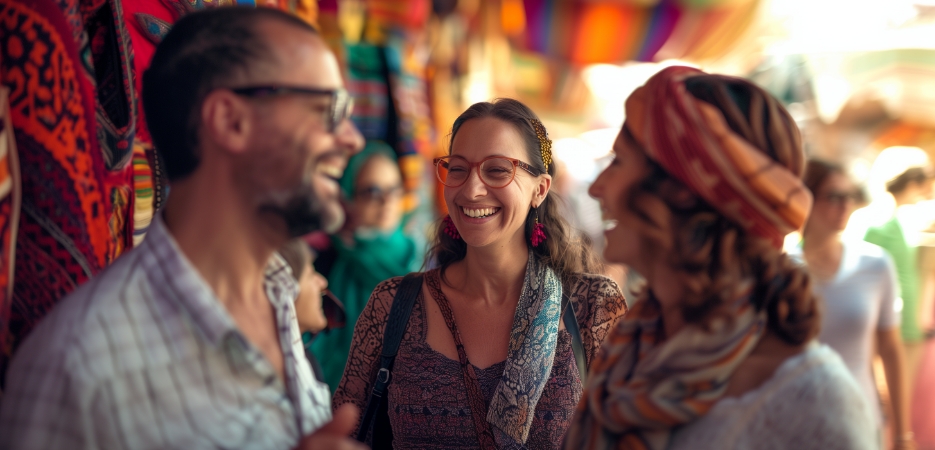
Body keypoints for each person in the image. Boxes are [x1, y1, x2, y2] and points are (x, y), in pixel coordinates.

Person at [0, 7, 367, 450]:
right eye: (327, 109)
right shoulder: (80, 367)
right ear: (231, 121)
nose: (352, 139)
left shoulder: (280, 301)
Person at [565, 66, 874, 449]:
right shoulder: (636, 345)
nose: (597, 188)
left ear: (681, 191)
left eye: (620, 161)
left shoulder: (815, 404)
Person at [333, 98, 628, 449]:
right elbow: (344, 433)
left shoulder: (592, 307)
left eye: (498, 170)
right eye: (458, 168)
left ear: (540, 189)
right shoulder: (393, 304)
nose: (471, 189)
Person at [791, 159, 913, 449]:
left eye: (850, 196)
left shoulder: (876, 264)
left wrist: (902, 433)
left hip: (861, 419)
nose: (844, 205)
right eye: (833, 196)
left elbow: (891, 350)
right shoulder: (783, 270)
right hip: (797, 422)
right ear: (805, 198)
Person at [310, 141, 421, 392]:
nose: (386, 201)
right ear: (349, 196)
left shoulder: (424, 256)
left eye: (394, 189)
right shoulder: (326, 267)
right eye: (372, 191)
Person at [865, 164, 935, 381]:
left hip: (908, 319)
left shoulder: (902, 220)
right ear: (912, 186)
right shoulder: (879, 222)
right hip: (891, 319)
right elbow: (866, 272)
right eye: (925, 189)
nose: (927, 195)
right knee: (889, 390)